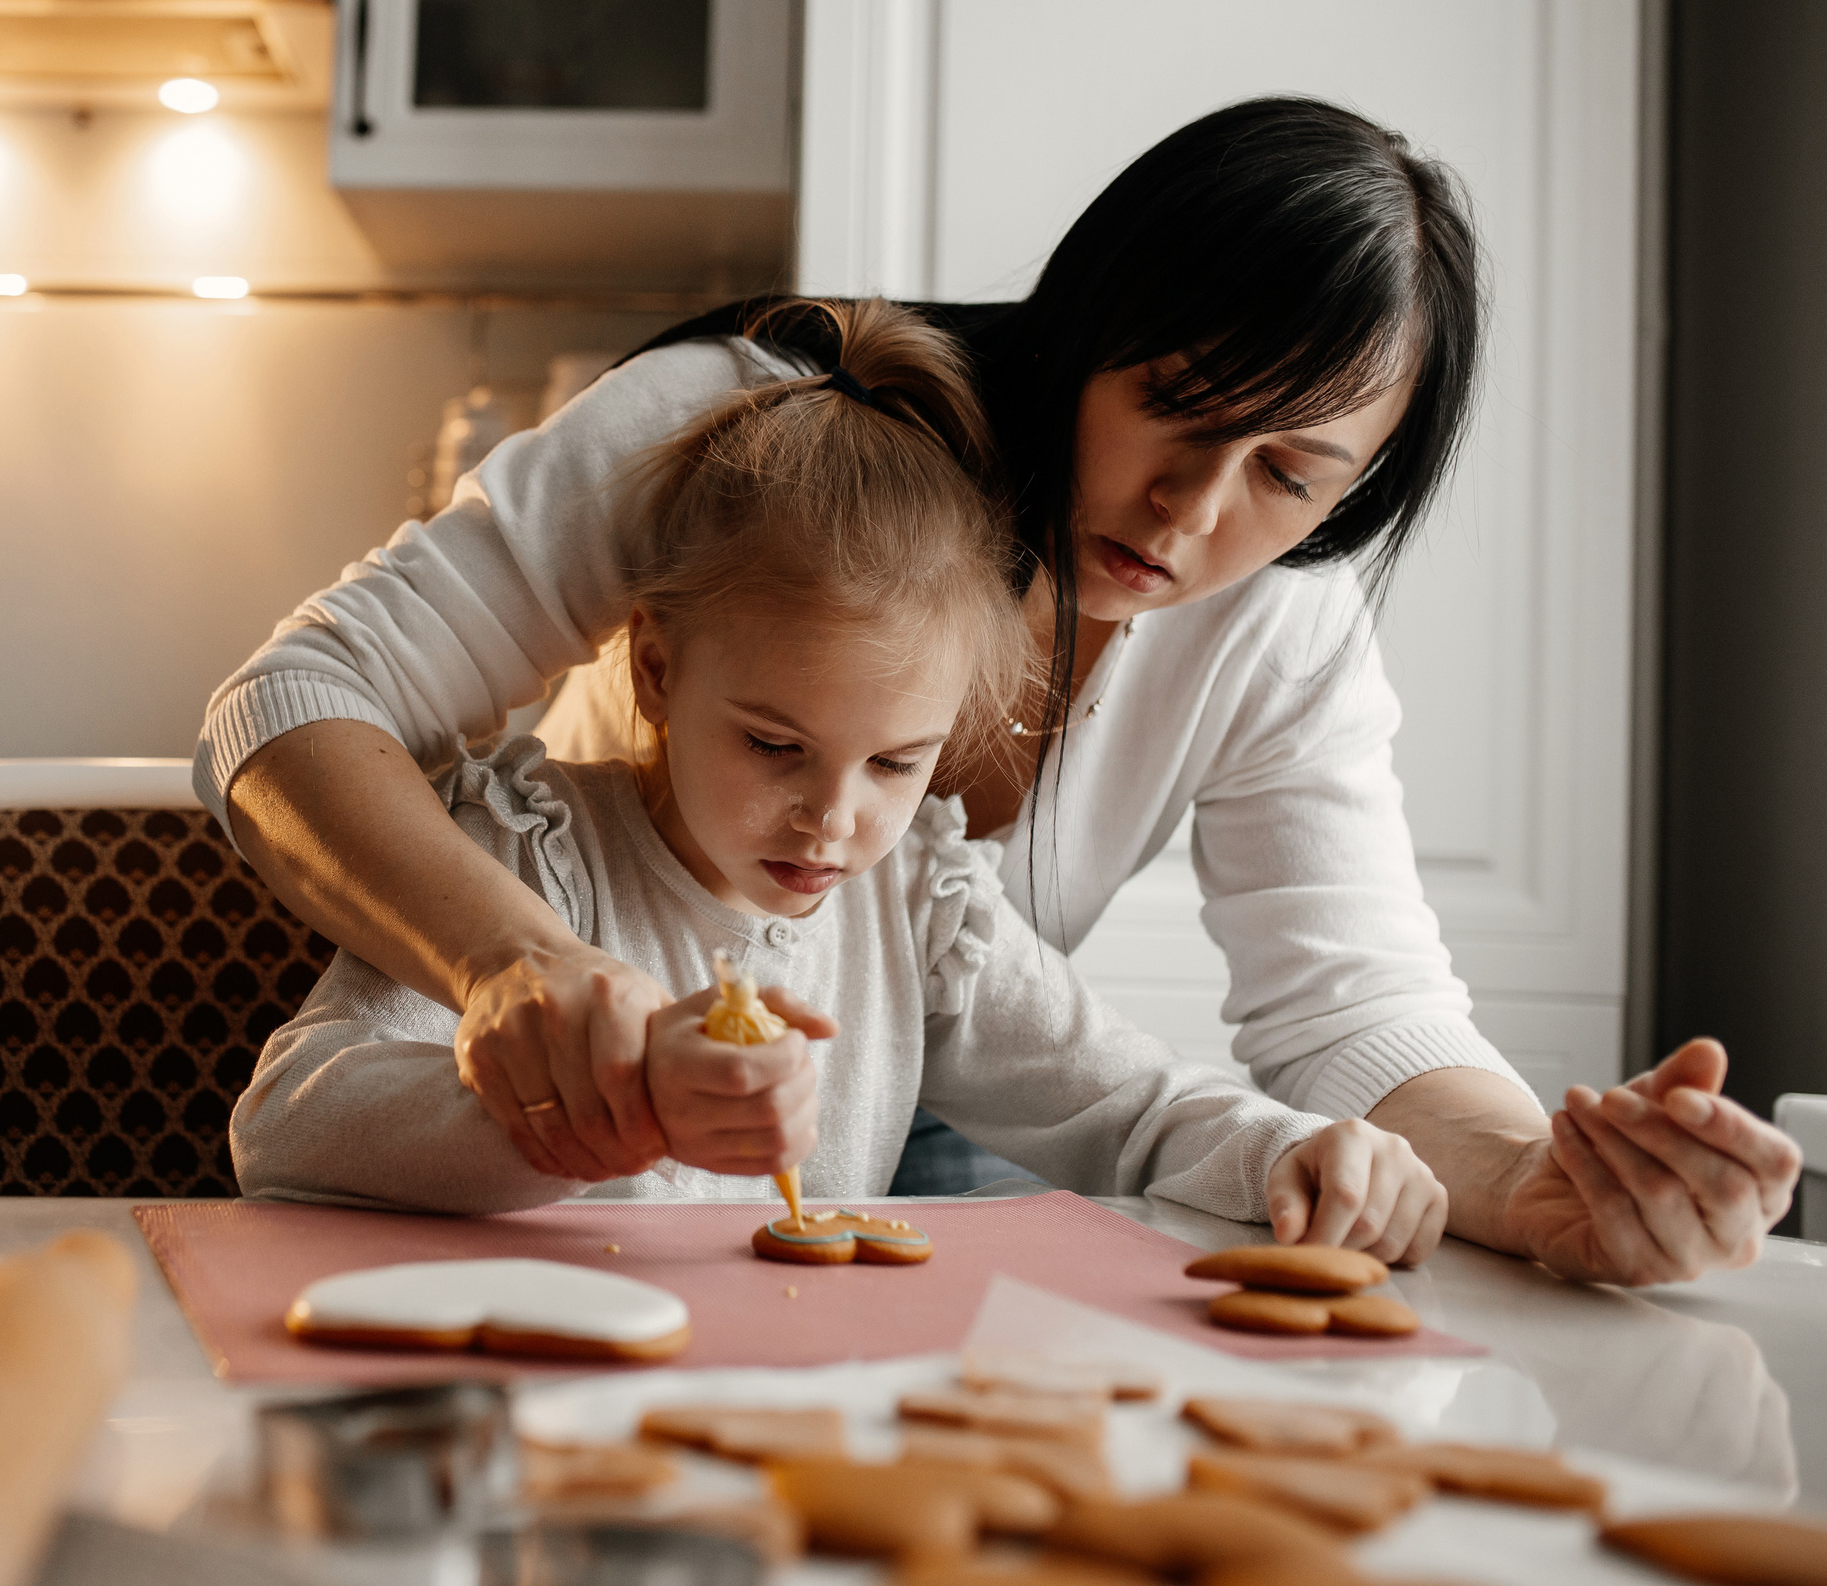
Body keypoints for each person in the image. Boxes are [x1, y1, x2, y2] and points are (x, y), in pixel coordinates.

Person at [203, 97, 1802, 1283]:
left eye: (1290, 474)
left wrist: (1536, 1186)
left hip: (898, 1125)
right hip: (540, 1163)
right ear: (1089, 321)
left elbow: (1343, 1008)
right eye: (1174, 406)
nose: (1193, 510)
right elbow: (293, 702)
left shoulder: (1284, 626)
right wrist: (521, 970)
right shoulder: (754, 439)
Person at [233, 299, 1444, 1248]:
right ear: (654, 670)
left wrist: (1294, 1153)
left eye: (897, 763)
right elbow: (290, 1122)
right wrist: (569, 1121)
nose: (832, 817)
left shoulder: (919, 900)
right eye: (772, 745)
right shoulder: (532, 852)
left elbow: (1128, 1109)